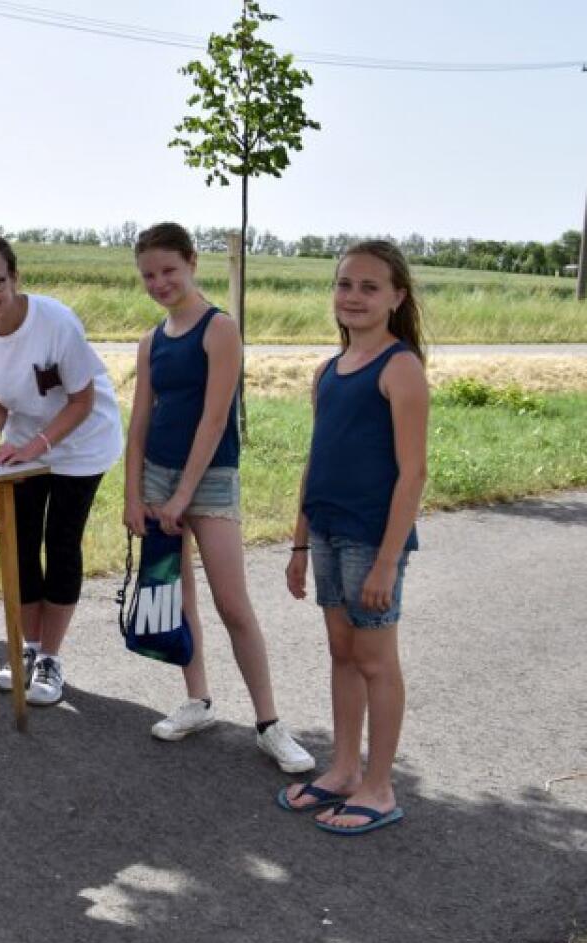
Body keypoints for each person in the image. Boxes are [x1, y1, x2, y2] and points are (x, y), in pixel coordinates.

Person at [122, 223, 314, 773]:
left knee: (233, 603)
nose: (159, 283)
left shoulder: (219, 329)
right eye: (148, 275)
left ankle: (270, 724)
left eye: (168, 270)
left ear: (192, 263)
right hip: (157, 478)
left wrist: (183, 495)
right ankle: (198, 700)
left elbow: (214, 420)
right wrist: (134, 494)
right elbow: (140, 422)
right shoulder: (152, 341)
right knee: (176, 594)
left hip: (209, 479)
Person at [278, 240, 428, 835]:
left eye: (370, 287)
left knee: (374, 659)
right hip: (327, 531)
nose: (354, 296)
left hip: (372, 539)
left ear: (397, 297)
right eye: (345, 284)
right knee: (342, 652)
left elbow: (412, 474)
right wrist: (298, 543)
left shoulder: (400, 368)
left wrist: (387, 561)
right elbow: (316, 461)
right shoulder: (327, 372)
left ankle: (379, 788)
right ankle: (344, 770)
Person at [0, 232, 123, 706]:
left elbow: (82, 400)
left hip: (82, 440)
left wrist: (38, 446)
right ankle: (26, 648)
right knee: (21, 543)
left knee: (60, 542)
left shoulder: (55, 321)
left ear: (15, 277)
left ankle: (50, 658)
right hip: (25, 443)